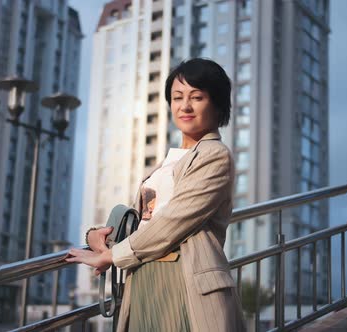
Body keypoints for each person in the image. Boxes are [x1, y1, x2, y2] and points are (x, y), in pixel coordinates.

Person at [67, 58, 245, 332]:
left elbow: (174, 221)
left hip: (184, 281)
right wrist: (95, 235)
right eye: (177, 97)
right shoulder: (168, 161)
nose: (184, 106)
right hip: (142, 276)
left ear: (218, 103)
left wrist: (112, 257)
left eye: (196, 97)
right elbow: (144, 219)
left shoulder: (215, 155)